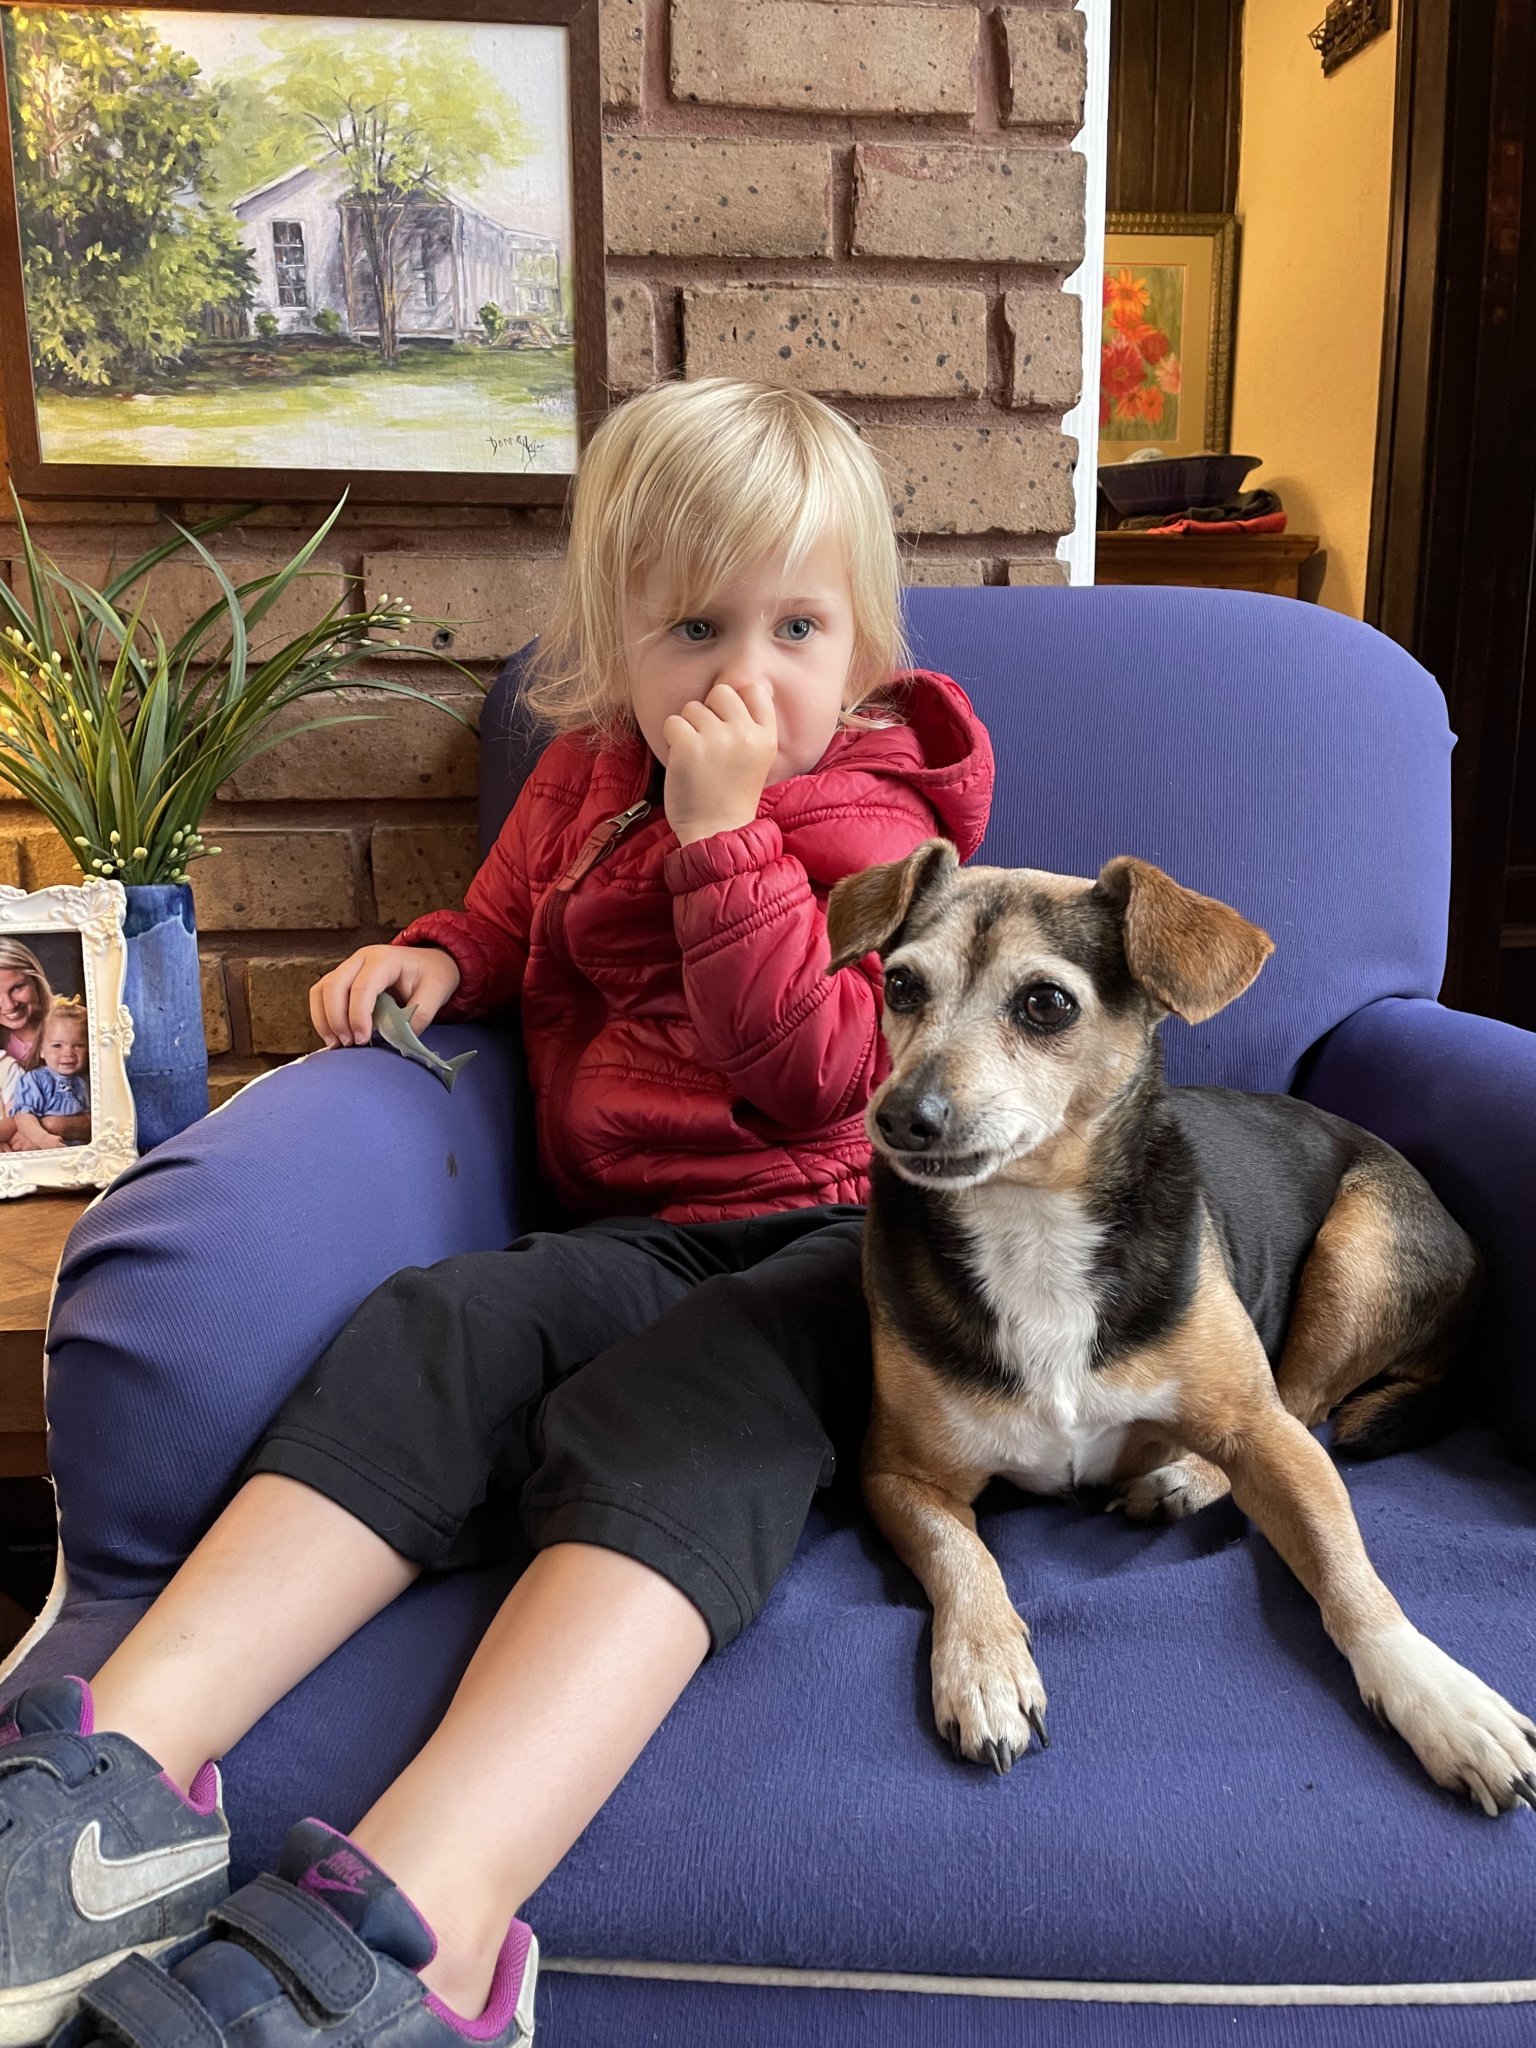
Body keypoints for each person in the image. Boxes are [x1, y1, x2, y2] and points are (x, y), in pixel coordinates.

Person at [0, 379, 993, 2048]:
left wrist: (726, 843)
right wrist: (440, 955)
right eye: (695, 626)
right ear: (617, 640)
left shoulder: (878, 835)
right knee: (442, 1321)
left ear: (864, 651)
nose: (746, 675)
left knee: (681, 1417)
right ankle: (117, 1778)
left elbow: (821, 1071)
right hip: (627, 1241)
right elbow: (513, 922)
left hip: (831, 1254)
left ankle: (418, 1928)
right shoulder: (588, 776)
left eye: (797, 628)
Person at [7, 996, 90, 1150]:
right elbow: (23, 1116)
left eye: (78, 1045)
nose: (68, 1053)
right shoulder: (34, 1080)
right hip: (48, 1148)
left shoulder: (89, 1081)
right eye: (57, 1046)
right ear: (42, 1050)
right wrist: (42, 1138)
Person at [0, 936, 53, 1149]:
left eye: (17, 987)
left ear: (36, 980)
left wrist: (41, 1130)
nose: (9, 1005)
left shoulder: (68, 1024)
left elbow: (98, 1105)